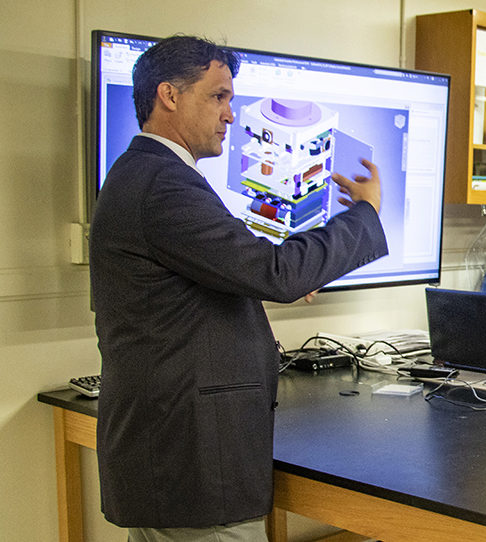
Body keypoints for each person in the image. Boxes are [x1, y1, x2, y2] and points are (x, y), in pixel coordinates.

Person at [90, 35, 388, 540]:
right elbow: (275, 273)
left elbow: (206, 279)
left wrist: (263, 279)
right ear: (169, 95)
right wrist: (366, 214)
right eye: (218, 96)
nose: (231, 114)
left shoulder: (143, 173)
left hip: (168, 451)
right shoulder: (164, 184)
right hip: (190, 460)